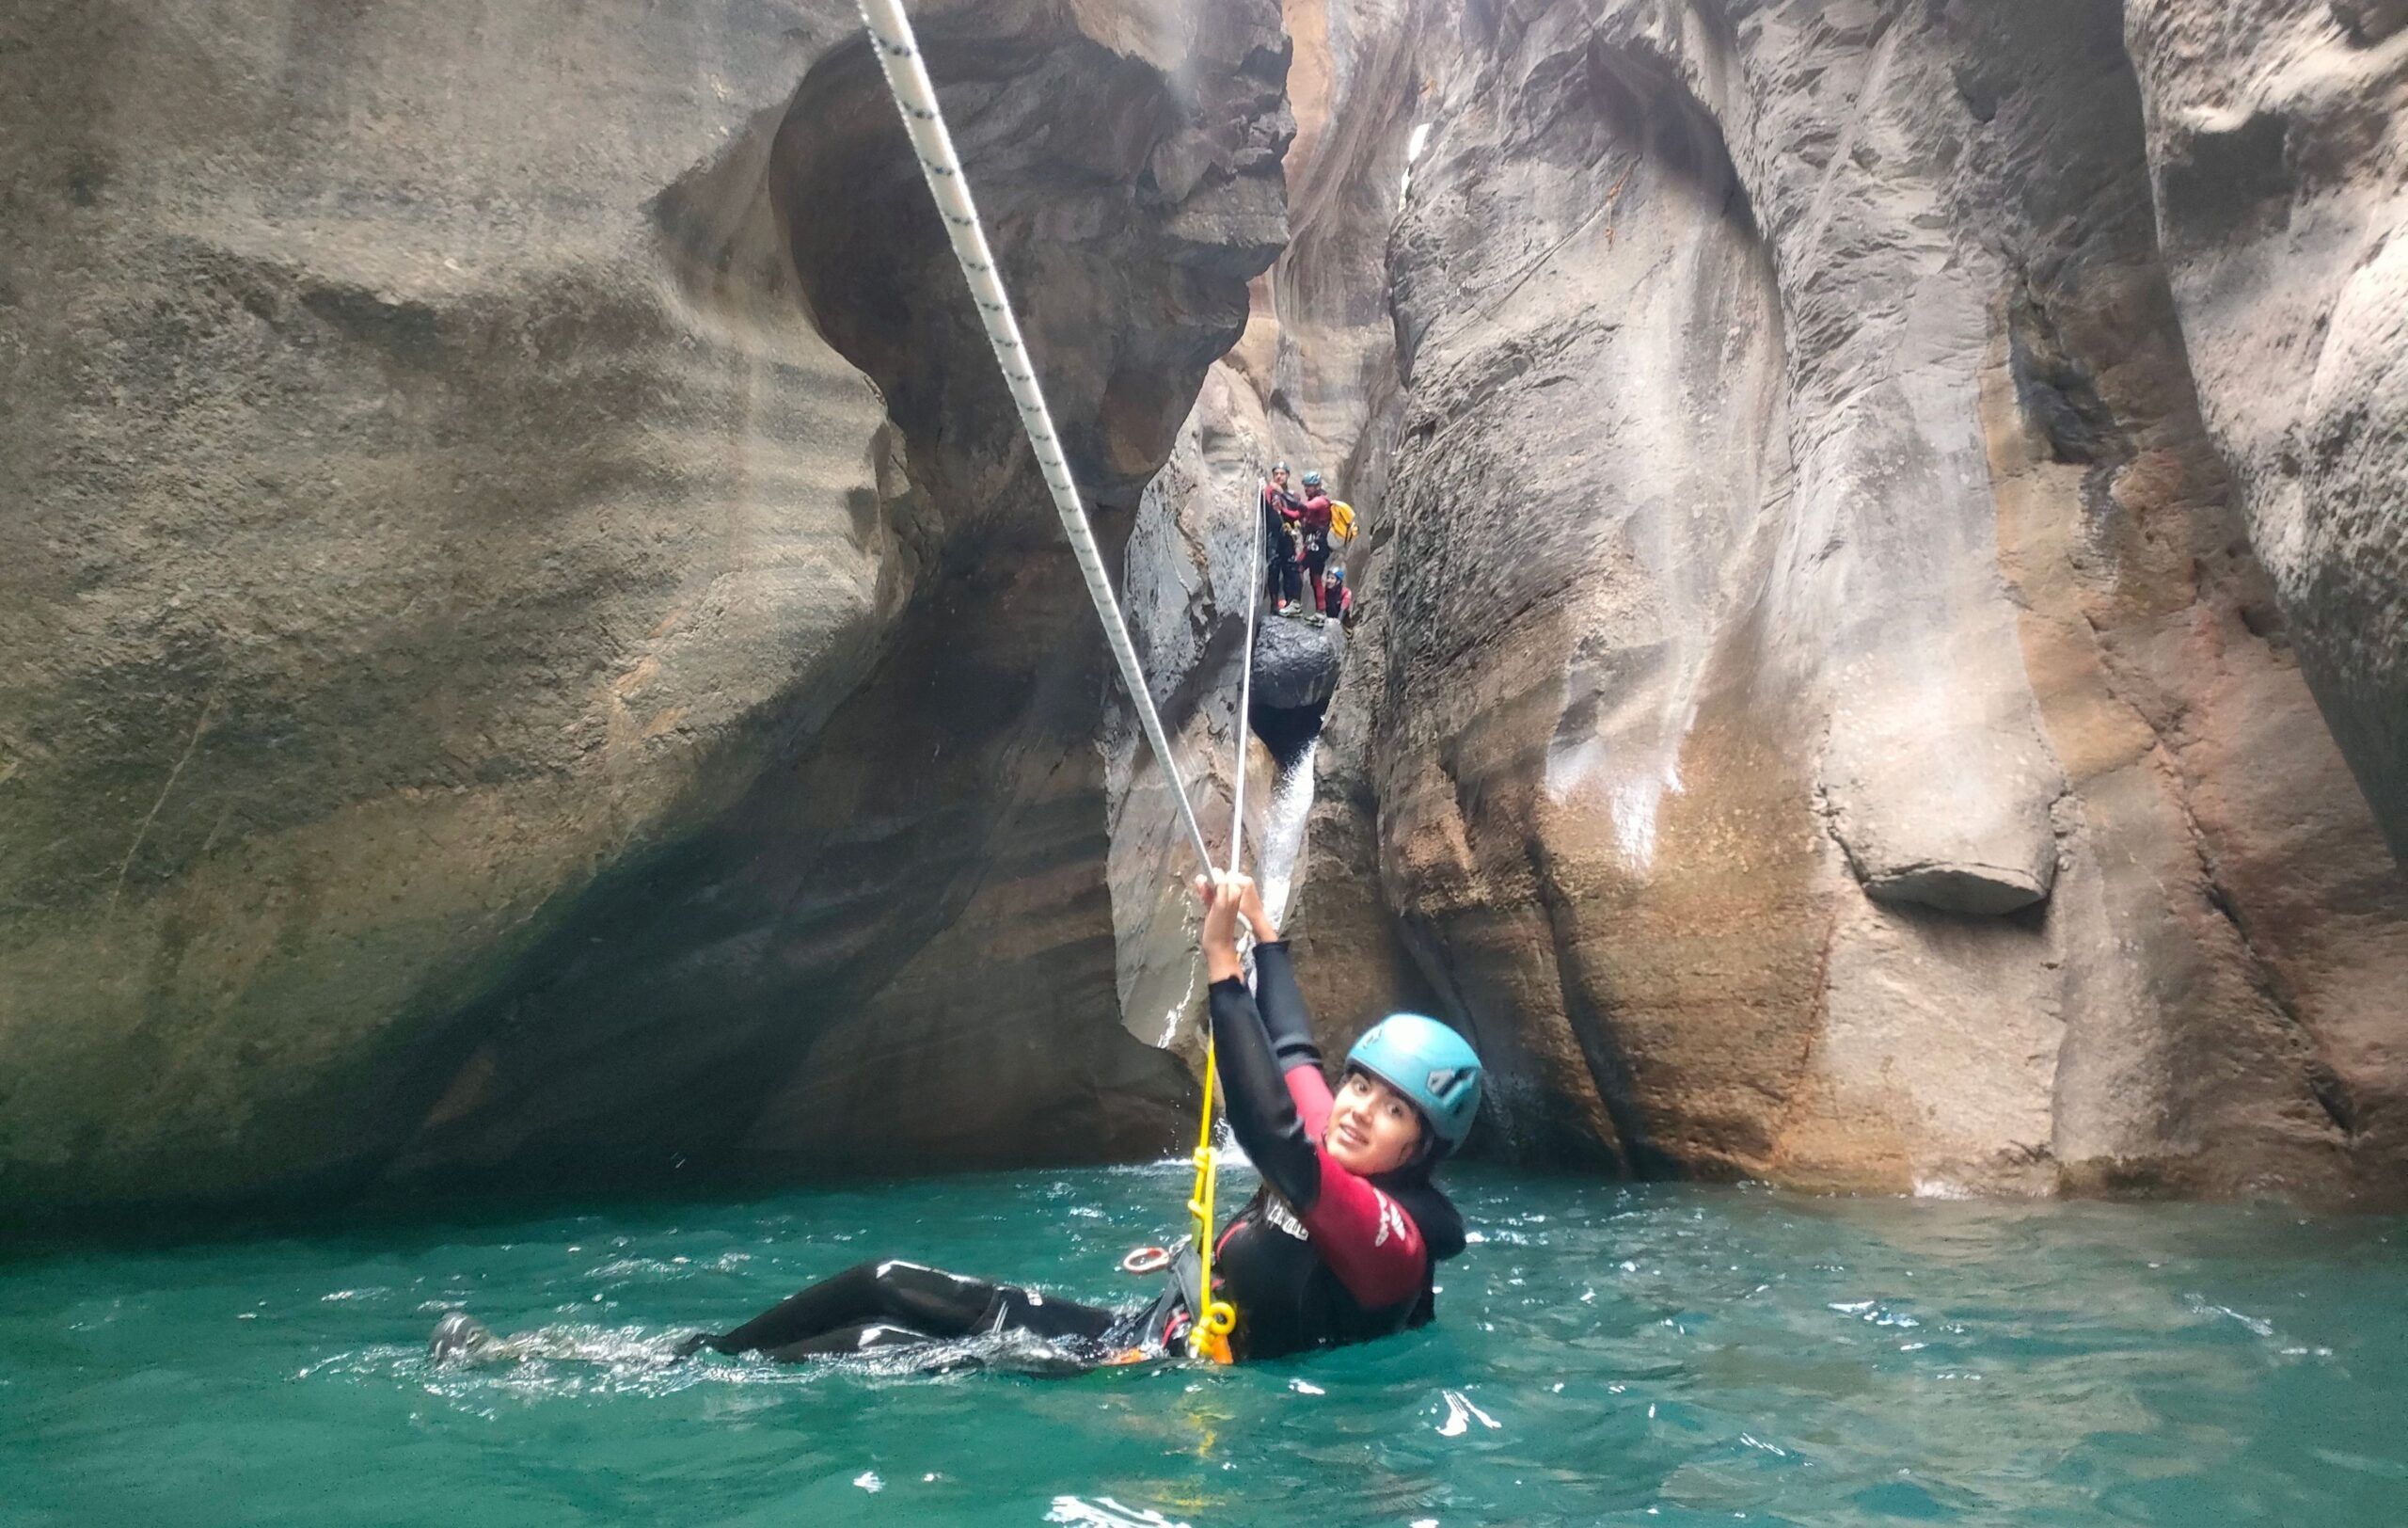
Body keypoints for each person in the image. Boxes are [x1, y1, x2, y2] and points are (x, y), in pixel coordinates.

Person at [436, 877, 1484, 1371]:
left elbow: (1272, 1131)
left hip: (1141, 1378)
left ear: (1419, 1154)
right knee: (886, 1278)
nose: (1358, 1111)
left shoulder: (1389, 1237)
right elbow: (1295, 1061)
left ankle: (553, 1368)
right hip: (1138, 1329)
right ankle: (671, 1352)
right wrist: (1269, 941)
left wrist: (1218, 969)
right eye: (1364, 1087)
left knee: (875, 1341)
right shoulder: (1339, 1126)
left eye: (1392, 1112)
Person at [1260, 464, 1305, 616]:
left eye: (1282, 474)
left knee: (1290, 568)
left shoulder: (1293, 494)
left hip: (1288, 535)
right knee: (1273, 568)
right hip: (1273, 535)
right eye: (1276, 474)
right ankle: (1274, 603)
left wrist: (1281, 494)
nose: (1279, 476)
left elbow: (1297, 508)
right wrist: (1269, 490)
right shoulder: (1269, 491)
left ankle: (1290, 602)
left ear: (1287, 475)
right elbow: (1266, 502)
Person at [1296, 470, 1335, 623]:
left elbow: (1305, 508)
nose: (1307, 489)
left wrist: (1283, 496)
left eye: (1310, 486)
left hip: (1317, 544)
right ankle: (1320, 611)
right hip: (1319, 544)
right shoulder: (1318, 500)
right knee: (1316, 577)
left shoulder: (1320, 501)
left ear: (1317, 486)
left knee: (1297, 567)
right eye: (1306, 486)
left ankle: (1295, 602)